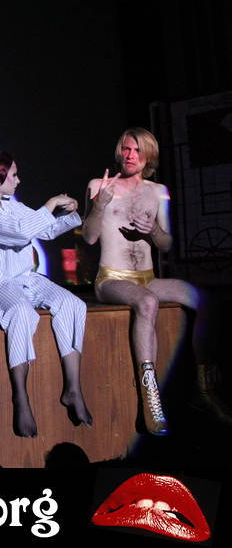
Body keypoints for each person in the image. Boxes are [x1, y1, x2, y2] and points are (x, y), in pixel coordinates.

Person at [82, 127, 232, 435]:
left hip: (147, 277)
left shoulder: (158, 191)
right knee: (147, 302)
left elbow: (166, 244)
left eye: (137, 150)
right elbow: (89, 237)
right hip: (112, 278)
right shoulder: (100, 185)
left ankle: (205, 388)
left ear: (149, 155)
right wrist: (99, 205)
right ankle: (151, 397)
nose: (130, 156)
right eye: (126, 149)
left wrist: (152, 230)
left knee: (206, 300)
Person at [0, 144, 92, 438]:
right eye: (13, 175)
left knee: (73, 304)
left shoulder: (13, 206)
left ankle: (73, 388)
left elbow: (44, 230)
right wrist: (49, 204)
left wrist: (70, 213)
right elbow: (20, 232)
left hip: (24, 277)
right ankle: (21, 397)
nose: (18, 180)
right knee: (21, 311)